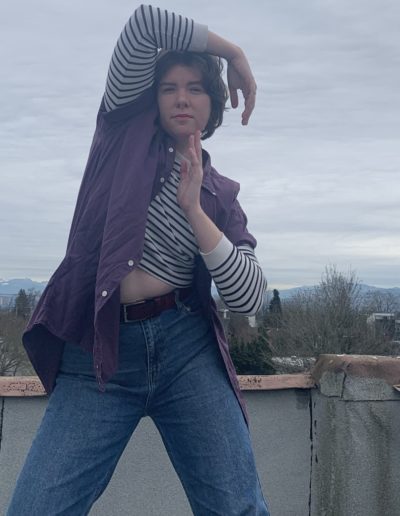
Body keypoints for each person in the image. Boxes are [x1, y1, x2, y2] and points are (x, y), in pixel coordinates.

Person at [7, 5, 269, 515]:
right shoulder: (121, 132)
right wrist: (233, 52)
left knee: (238, 508)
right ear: (152, 98)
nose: (181, 97)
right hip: (100, 349)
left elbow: (249, 297)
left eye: (195, 88)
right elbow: (144, 24)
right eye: (169, 88)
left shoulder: (220, 195)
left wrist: (194, 211)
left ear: (213, 105)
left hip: (186, 349)